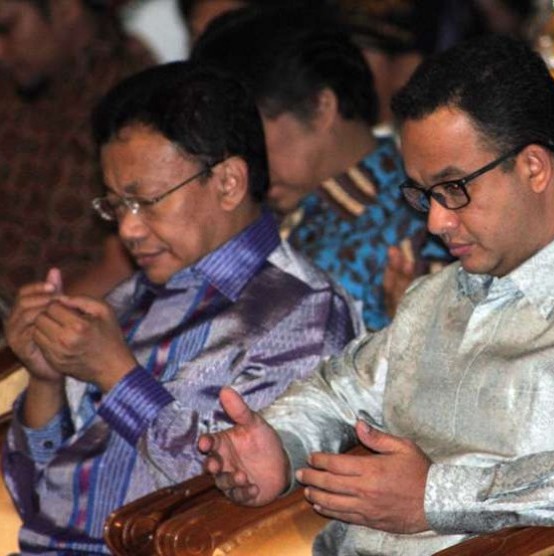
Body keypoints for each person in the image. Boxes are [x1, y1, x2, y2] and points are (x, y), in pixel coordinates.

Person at [198, 35, 554, 554]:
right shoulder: (434, 296)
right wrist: (279, 444)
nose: (436, 221)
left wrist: (436, 495)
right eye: (424, 194)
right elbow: (340, 389)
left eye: (454, 188)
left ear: (534, 168)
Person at [2, 61, 358, 554]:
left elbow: (239, 499)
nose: (127, 230)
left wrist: (118, 377)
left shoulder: (302, 314)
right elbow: (35, 498)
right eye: (115, 205)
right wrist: (44, 379)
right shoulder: (129, 299)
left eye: (145, 201)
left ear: (229, 182)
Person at [192, 10, 445, 331]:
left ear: (321, 106)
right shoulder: (242, 216)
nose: (241, 162)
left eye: (251, 136)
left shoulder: (422, 220)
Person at [0, 0, 153, 311]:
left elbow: (124, 264)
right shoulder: (16, 89)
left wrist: (26, 335)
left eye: (7, 28)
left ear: (65, 9)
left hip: (71, 328)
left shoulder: (134, 95)